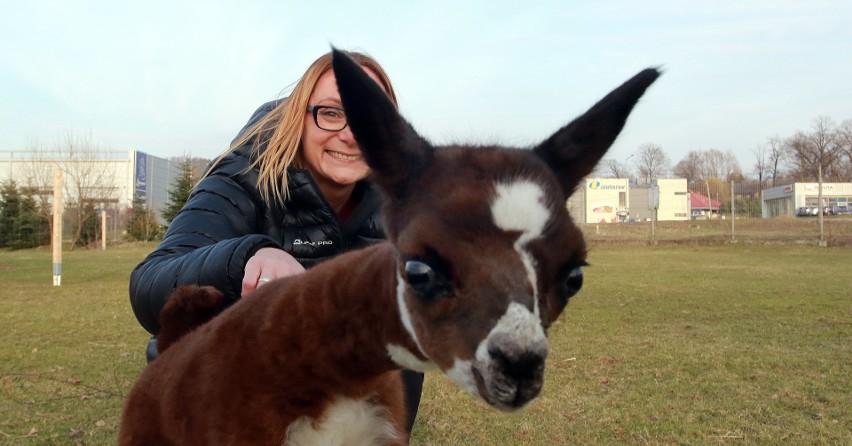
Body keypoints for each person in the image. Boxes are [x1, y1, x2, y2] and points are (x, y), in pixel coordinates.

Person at [128, 49, 423, 432]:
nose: (352, 135)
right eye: (332, 112)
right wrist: (248, 256)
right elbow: (149, 285)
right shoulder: (241, 177)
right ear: (299, 116)